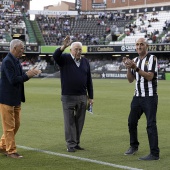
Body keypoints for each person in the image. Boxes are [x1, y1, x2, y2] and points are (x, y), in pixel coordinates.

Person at [0, 39, 41, 158]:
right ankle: (11, 151)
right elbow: (13, 80)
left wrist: (29, 73)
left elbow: (20, 77)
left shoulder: (16, 60)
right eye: (22, 48)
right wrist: (28, 75)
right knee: (9, 127)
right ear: (14, 48)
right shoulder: (7, 61)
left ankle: (2, 146)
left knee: (16, 125)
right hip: (6, 98)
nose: (23, 50)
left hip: (16, 98)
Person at [53, 35, 94, 152]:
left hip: (82, 96)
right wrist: (63, 46)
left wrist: (91, 97)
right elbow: (55, 56)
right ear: (71, 50)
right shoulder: (64, 58)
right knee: (69, 122)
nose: (78, 51)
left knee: (79, 122)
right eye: (76, 49)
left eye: (80, 49)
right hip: (68, 97)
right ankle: (70, 145)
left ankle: (76, 143)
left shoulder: (85, 61)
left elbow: (89, 80)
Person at [123, 38, 160, 160]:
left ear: (146, 46)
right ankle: (134, 146)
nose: (139, 46)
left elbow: (150, 77)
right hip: (137, 97)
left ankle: (154, 154)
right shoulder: (134, 60)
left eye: (141, 44)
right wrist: (129, 67)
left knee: (150, 125)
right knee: (131, 122)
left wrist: (136, 68)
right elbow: (130, 80)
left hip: (149, 97)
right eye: (137, 44)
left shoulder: (152, 58)